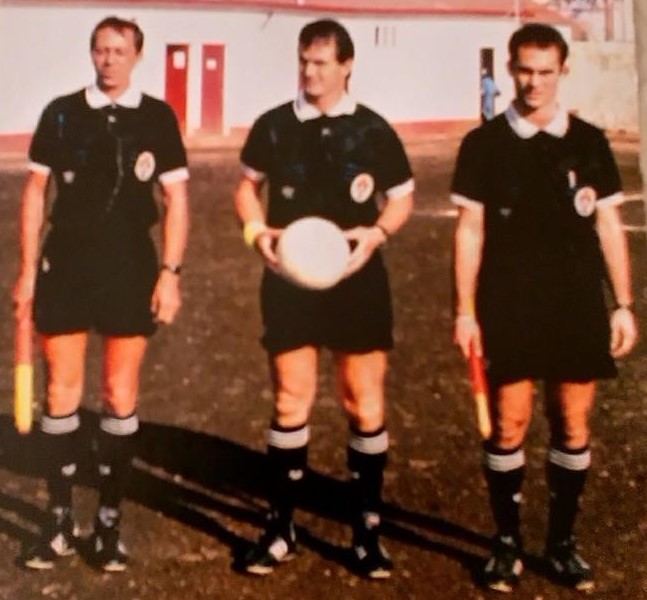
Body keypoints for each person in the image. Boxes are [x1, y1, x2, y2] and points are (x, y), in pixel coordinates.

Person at [452, 23, 637, 593]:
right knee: (508, 424)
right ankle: (506, 542)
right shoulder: (484, 144)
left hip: (576, 302)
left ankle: (561, 544)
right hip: (507, 303)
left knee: (572, 423)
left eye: (545, 72)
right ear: (510, 69)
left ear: (563, 71)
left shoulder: (589, 142)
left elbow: (608, 225)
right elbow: (470, 231)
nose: (534, 83)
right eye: (525, 71)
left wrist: (623, 304)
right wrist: (464, 311)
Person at [234, 19, 414, 579]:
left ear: (347, 65)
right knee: (291, 401)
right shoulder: (274, 125)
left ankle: (367, 533)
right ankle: (280, 529)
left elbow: (402, 199)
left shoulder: (373, 130)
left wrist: (377, 234)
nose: (309, 72)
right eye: (303, 61)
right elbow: (246, 189)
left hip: (358, 280)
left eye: (321, 63)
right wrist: (257, 234)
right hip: (289, 281)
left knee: (364, 403)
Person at [12, 16, 189, 572]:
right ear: (92, 54)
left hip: (129, 268)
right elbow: (35, 193)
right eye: (101, 50)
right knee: (60, 392)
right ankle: (59, 522)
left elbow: (176, 201)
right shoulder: (62, 113)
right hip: (66, 265)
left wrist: (170, 272)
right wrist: (27, 270)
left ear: (137, 56)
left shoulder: (156, 117)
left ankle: (108, 524)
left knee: (118, 392)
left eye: (119, 51)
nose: (109, 60)